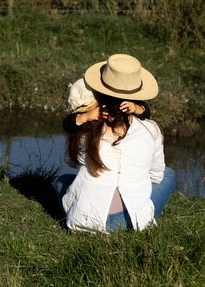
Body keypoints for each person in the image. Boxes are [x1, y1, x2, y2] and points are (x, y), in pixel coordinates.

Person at [56, 54, 176, 233]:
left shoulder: (85, 130)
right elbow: (156, 177)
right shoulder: (151, 131)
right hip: (129, 224)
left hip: (85, 222)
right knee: (168, 175)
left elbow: (70, 161)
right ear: (136, 97)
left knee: (62, 181)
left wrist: (85, 115)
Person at [62, 78, 151, 134]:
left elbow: (146, 112)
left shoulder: (126, 101)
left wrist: (136, 108)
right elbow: (68, 124)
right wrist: (86, 117)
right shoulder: (87, 112)